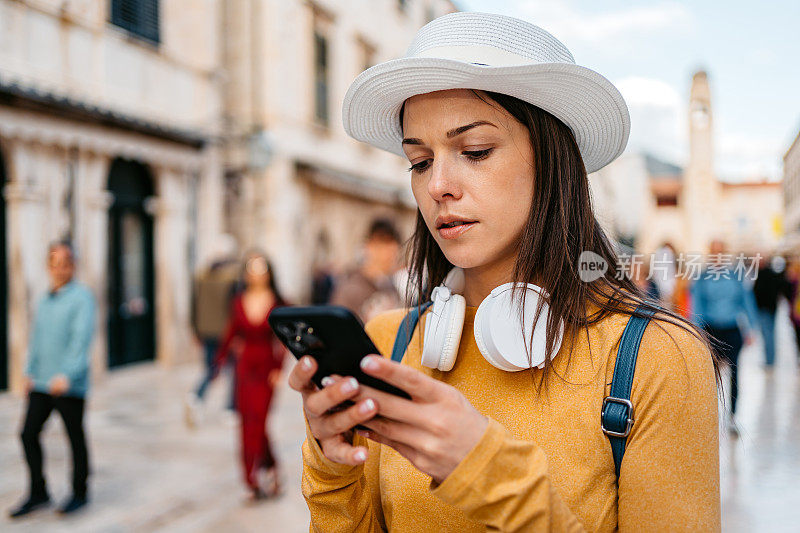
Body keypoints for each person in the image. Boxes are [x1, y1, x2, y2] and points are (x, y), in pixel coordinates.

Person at [289, 12, 720, 532]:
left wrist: (484, 469)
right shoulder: (388, 344)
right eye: (420, 161)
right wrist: (332, 467)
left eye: (474, 151)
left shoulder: (659, 359)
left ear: (553, 162)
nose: (438, 185)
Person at [9, 242, 96, 518]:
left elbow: (80, 340)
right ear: (48, 266)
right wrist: (29, 371)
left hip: (68, 384)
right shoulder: (44, 299)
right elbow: (36, 338)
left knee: (74, 437)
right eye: (54, 263)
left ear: (73, 266)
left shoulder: (82, 298)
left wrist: (68, 374)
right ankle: (39, 492)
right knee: (27, 434)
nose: (59, 269)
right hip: (42, 382)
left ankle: (80, 493)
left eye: (65, 263)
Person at [214, 251, 287, 500]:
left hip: (266, 367)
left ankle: (267, 468)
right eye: (252, 268)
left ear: (269, 272)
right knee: (247, 422)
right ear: (247, 273)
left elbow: (285, 338)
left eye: (261, 268)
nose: (257, 273)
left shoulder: (278, 301)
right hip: (244, 367)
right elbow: (231, 332)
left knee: (260, 421)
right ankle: (253, 476)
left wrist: (279, 367)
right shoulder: (237, 300)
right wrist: (218, 363)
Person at [690, 239, 759, 435]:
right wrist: (696, 330)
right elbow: (698, 305)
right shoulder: (702, 277)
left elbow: (746, 301)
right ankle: (708, 415)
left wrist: (751, 328)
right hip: (712, 330)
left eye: (721, 251)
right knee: (709, 374)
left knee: (735, 373)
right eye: (714, 252)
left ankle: (733, 416)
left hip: (732, 328)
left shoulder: (736, 275)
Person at [186, 235, 240, 426]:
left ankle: (197, 396)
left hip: (205, 330)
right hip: (226, 332)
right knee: (233, 371)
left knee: (211, 368)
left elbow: (193, 305)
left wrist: (195, 329)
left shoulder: (201, 275)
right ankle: (230, 409)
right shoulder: (233, 277)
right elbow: (234, 308)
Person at [330, 218, 403, 323]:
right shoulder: (349, 291)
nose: (389, 254)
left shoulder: (391, 288)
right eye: (382, 246)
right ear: (369, 246)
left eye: (393, 248)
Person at [752, 254, 790, 367]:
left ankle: (770, 360)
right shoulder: (771, 274)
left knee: (767, 335)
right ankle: (770, 359)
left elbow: (757, 292)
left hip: (765, 309)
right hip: (771, 308)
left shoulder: (763, 274)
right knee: (770, 334)